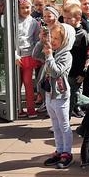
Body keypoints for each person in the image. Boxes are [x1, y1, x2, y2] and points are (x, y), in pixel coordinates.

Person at [34, 22, 75, 168]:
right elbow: (35, 55)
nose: (53, 41)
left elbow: (56, 72)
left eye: (56, 39)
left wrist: (49, 55)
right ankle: (59, 150)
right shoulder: (53, 50)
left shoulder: (66, 55)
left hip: (60, 95)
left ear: (65, 41)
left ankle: (67, 152)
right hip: (49, 94)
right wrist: (41, 41)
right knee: (55, 124)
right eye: (52, 37)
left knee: (64, 125)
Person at [15, 0, 39, 118]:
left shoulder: (34, 22)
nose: (25, 10)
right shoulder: (14, 21)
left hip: (28, 56)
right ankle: (17, 108)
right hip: (16, 56)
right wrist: (14, 54)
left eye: (27, 7)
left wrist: (36, 55)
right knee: (16, 83)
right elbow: (11, 40)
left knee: (28, 83)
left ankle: (31, 108)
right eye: (22, 8)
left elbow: (35, 40)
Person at [63, 5, 89, 118]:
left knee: (71, 96)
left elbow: (86, 55)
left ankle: (66, 120)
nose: (66, 21)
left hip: (76, 72)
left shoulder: (83, 34)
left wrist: (83, 73)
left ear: (78, 18)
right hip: (65, 70)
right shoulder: (64, 31)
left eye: (69, 18)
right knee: (65, 95)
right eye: (65, 18)